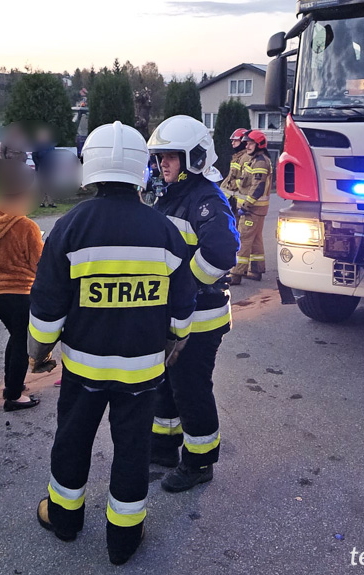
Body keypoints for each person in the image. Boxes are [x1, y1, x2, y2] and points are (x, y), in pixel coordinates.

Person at [28, 121, 196, 565]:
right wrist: (175, 338)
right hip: (143, 372)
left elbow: (47, 305)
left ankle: (64, 519)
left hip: (84, 371)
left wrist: (38, 352)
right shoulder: (164, 231)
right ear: (141, 169)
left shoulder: (69, 227)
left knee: (72, 441)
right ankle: (123, 540)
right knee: (132, 451)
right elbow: (183, 308)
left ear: (91, 168)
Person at [146, 115, 240, 493]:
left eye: (170, 156)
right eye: (159, 157)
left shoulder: (206, 199)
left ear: (195, 158)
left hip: (200, 319)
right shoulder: (172, 195)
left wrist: (182, 287)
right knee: (166, 385)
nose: (162, 164)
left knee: (191, 389)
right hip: (175, 316)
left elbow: (222, 252)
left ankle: (200, 462)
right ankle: (165, 448)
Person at [0, 160, 44, 412]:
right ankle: (14, 396)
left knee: (15, 339)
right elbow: (40, 265)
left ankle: (12, 386)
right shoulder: (26, 226)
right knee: (22, 344)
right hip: (20, 293)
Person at [229, 129, 273, 285]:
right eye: (246, 143)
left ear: (259, 144)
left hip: (252, 208)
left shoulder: (260, 161)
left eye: (250, 143)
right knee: (255, 240)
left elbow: (257, 187)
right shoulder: (256, 159)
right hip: (257, 209)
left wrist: (246, 206)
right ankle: (255, 270)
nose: (246, 146)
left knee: (243, 239)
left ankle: (235, 274)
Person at [219, 128, 250, 217]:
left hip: (238, 201)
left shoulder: (246, 158)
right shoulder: (237, 157)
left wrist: (231, 185)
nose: (232, 143)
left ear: (243, 142)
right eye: (232, 141)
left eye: (235, 141)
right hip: (231, 201)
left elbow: (245, 179)